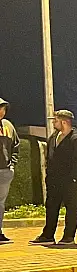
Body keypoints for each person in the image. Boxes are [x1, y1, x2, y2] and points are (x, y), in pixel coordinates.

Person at [30, 109, 77, 247]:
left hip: (70, 181)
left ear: (64, 122)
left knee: (71, 208)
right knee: (51, 207)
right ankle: (48, 235)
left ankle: (68, 236)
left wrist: (74, 177)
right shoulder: (53, 137)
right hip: (54, 181)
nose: (53, 123)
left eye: (55, 120)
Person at [0, 97, 18, 244]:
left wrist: (12, 164)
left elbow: (16, 145)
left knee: (0, 203)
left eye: (3, 109)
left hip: (5, 171)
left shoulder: (8, 126)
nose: (2, 111)